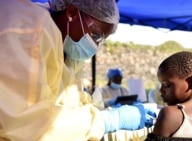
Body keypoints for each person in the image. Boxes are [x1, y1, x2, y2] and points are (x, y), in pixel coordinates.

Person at [0, 0, 150, 141]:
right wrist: (106, 121)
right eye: (95, 35)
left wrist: (98, 113)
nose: (95, 46)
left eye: (101, 40)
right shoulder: (28, 26)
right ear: (71, 13)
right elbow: (26, 121)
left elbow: (72, 100)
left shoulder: (69, 49)